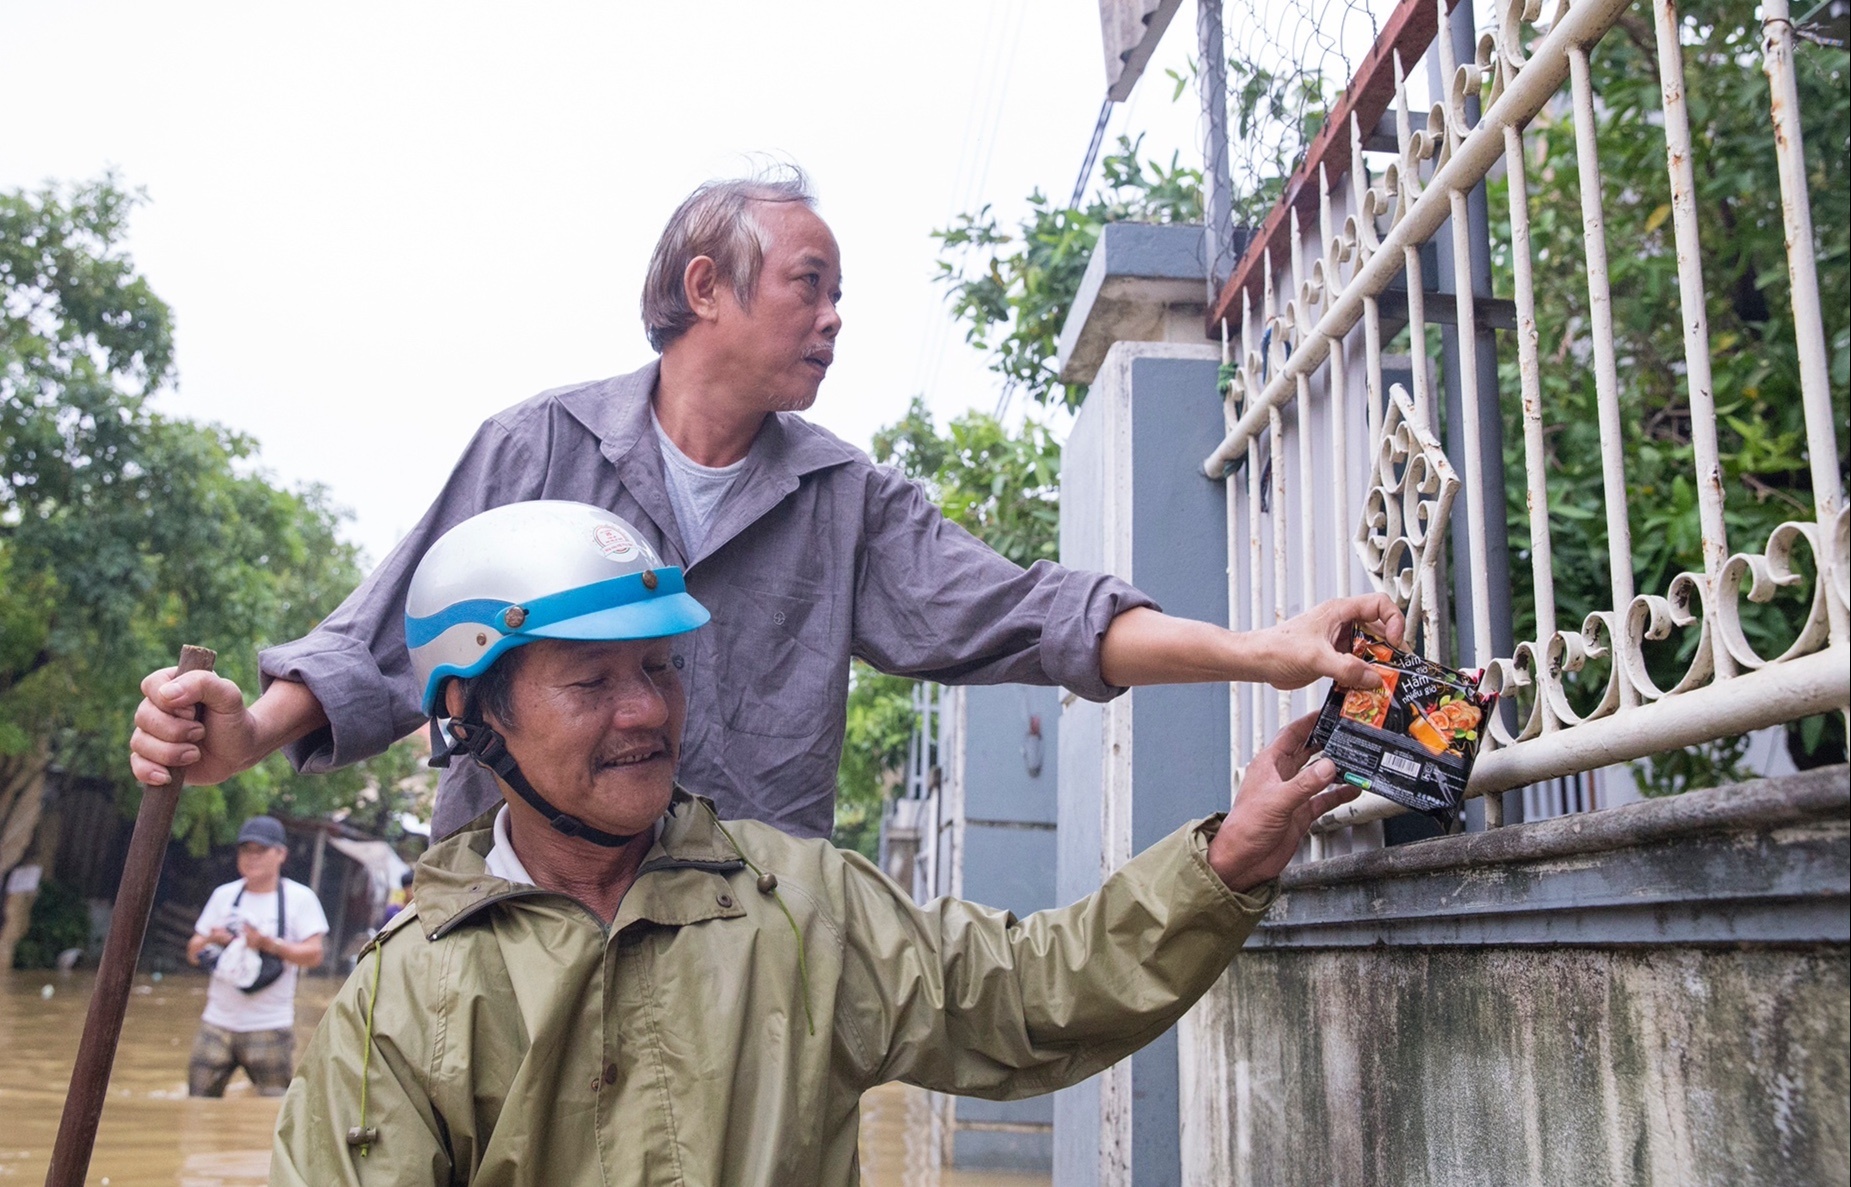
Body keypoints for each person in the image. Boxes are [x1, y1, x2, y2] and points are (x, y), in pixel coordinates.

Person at [128, 166, 1401, 842]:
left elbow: (1037, 617)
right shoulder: (537, 444)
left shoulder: (844, 498)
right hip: (517, 924)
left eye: (840, 294)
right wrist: (242, 737)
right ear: (706, 287)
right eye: (810, 284)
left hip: (741, 939)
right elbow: (383, 641)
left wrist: (1264, 649)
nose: (835, 317)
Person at [269, 502, 1361, 1185]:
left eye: (659, 668)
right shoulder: (401, 999)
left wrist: (1229, 858)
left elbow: (1033, 995)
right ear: (472, 711)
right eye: (591, 680)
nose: (645, 710)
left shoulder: (797, 901)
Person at [185, 815, 329, 1098]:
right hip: (216, 1023)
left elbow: (314, 955)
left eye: (261, 850)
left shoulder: (300, 898)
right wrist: (215, 939)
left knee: (275, 1107)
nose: (252, 858)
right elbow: (193, 952)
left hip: (270, 1026)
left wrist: (268, 944)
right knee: (196, 1105)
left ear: (281, 854)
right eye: (245, 850)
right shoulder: (223, 896)